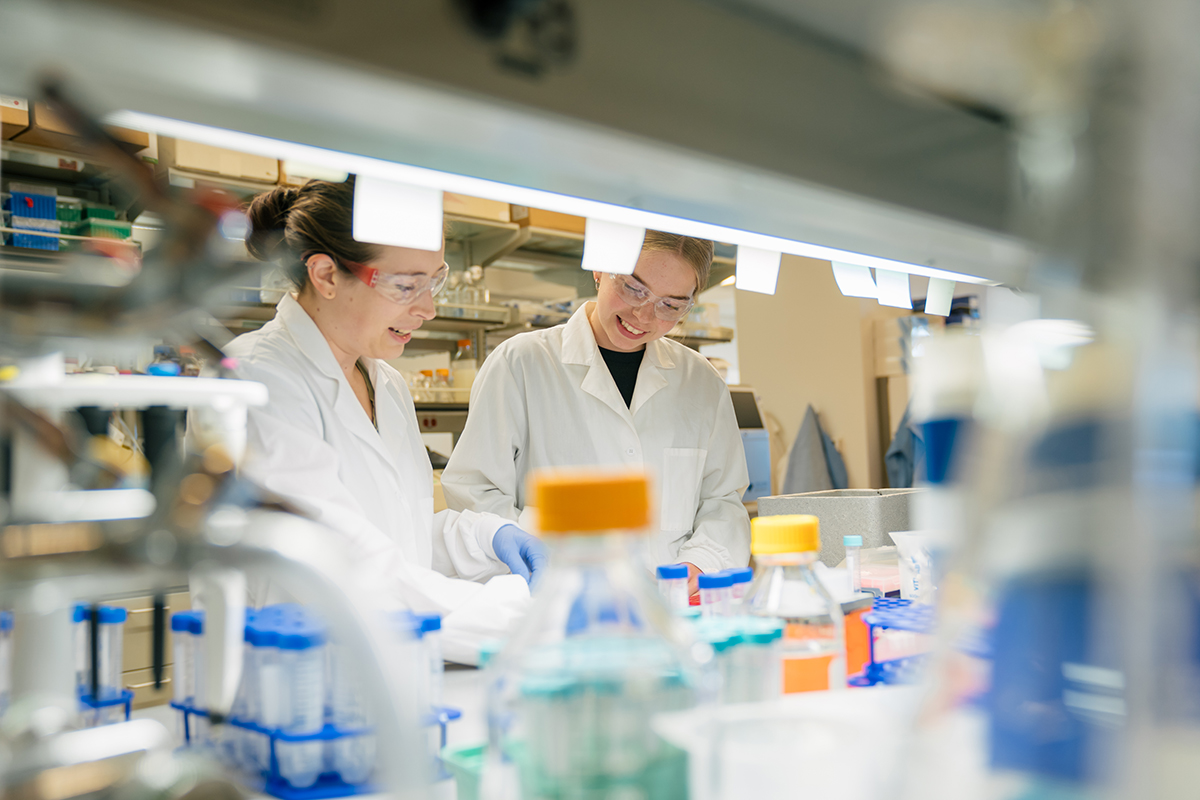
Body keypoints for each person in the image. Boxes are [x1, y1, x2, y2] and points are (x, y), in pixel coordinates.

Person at [229, 178, 546, 662]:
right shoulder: (256, 379)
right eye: (405, 285)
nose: (428, 308)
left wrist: (488, 538)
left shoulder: (386, 384)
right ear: (327, 276)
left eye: (433, 280)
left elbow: (402, 533)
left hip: (395, 675)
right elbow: (346, 568)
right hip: (299, 686)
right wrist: (534, 609)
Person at [441, 231, 750, 592]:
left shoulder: (701, 382)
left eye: (671, 305)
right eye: (635, 288)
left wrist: (699, 566)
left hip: (671, 608)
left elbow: (723, 503)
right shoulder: (521, 363)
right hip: (559, 600)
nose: (644, 315)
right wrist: (559, 556)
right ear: (601, 268)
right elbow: (475, 495)